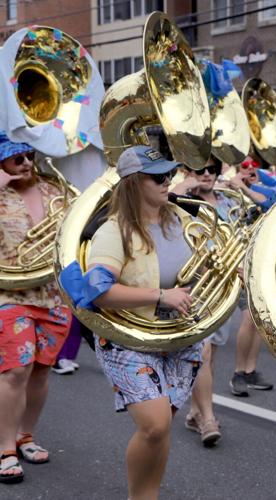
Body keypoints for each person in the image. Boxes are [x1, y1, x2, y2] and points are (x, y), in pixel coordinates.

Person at [84, 145, 201, 499]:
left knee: (161, 427)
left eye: (170, 174)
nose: (168, 182)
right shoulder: (113, 231)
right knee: (154, 425)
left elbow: (198, 266)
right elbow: (99, 292)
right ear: (134, 183)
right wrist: (160, 296)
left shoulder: (180, 219)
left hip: (179, 335)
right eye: (158, 177)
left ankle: (150, 493)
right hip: (129, 338)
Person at [0, 133, 72, 485]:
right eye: (17, 159)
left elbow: (75, 233)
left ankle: (25, 436)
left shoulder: (54, 189)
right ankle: (5, 448)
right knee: (16, 370)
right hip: (9, 296)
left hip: (54, 295)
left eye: (29, 155)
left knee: (42, 370)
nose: (26, 163)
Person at [171, 156, 244, 447]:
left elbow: (241, 237)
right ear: (189, 172)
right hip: (194, 285)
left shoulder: (228, 202)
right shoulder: (183, 201)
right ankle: (207, 418)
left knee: (211, 353)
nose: (207, 175)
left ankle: (195, 410)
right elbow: (168, 201)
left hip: (223, 286)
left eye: (212, 170)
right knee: (203, 352)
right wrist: (185, 182)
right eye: (200, 170)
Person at [228, 156, 276, 396]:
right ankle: (238, 373)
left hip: (260, 262)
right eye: (244, 169)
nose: (248, 173)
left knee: (258, 320)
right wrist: (235, 183)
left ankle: (250, 371)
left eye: (252, 170)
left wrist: (248, 185)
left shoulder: (257, 187)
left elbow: (272, 201)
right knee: (249, 318)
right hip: (240, 261)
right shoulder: (228, 187)